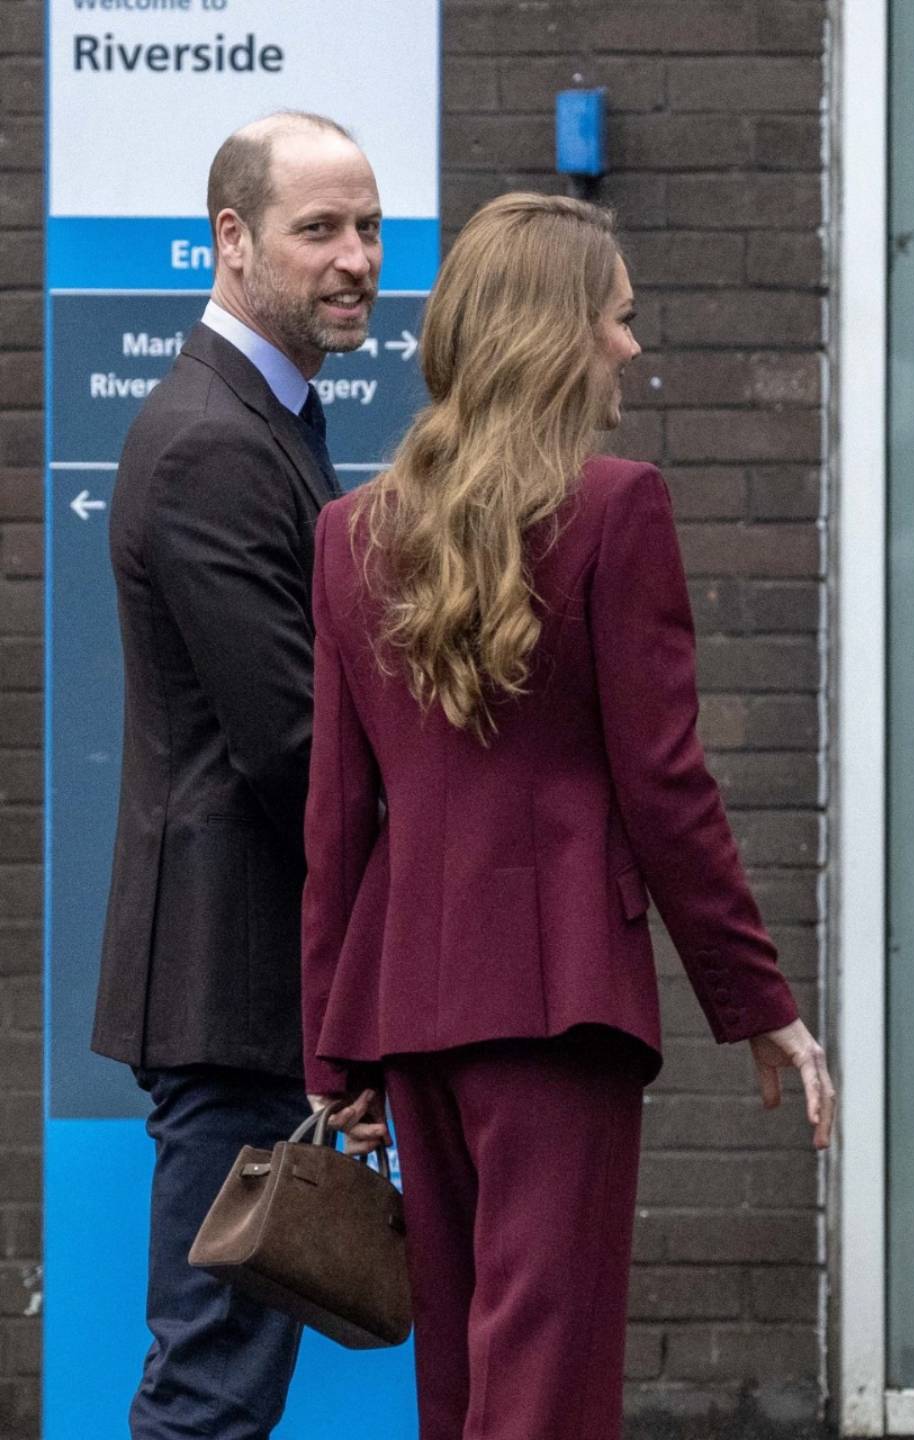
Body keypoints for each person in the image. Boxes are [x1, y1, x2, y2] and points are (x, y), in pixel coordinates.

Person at [299, 191, 834, 1440]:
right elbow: (668, 787)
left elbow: (337, 822)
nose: (633, 348)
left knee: (463, 1379)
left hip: (409, 1011)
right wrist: (763, 1008)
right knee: (547, 1365)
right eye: (619, 320)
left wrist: (334, 1054)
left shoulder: (349, 534)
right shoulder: (615, 507)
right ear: (556, 335)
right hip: (560, 1001)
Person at [90, 112, 383, 1439]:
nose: (357, 258)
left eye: (370, 227)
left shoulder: (268, 417)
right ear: (231, 240)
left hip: (247, 986)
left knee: (223, 1383)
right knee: (208, 1388)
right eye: (320, 228)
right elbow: (294, 744)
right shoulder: (216, 439)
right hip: (234, 990)